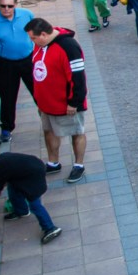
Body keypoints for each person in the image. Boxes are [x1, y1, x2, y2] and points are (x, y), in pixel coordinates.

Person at [25, 18, 88, 184]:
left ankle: (79, 165)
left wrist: (74, 102)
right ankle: (53, 163)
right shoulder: (41, 44)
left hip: (67, 105)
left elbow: (78, 77)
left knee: (77, 132)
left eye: (33, 38)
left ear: (44, 34)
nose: (32, 42)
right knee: (49, 131)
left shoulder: (69, 47)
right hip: (46, 103)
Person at [0, 139, 62, 244]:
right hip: (34, 167)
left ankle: (50, 228)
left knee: (34, 203)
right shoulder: (3, 157)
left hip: (33, 177)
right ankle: (22, 210)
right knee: (13, 188)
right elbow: (5, 178)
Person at [0, 0, 35, 142]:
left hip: (27, 60)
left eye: (10, 6)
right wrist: (4, 51)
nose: (6, 9)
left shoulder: (27, 14)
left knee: (38, 90)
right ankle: (6, 127)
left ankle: (47, 119)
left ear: (15, 5)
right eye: (2, 6)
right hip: (6, 64)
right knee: (7, 97)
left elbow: (35, 32)